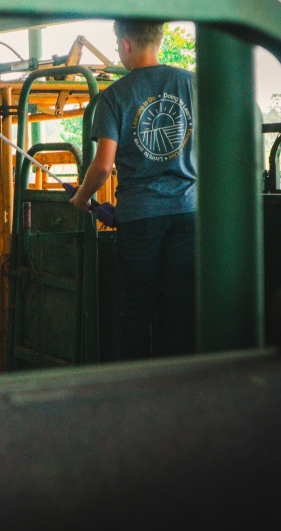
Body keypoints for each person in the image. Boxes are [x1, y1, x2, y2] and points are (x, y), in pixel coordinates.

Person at [70, 20, 196, 360]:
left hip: (140, 217)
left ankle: (134, 394)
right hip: (189, 210)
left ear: (126, 44)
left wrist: (82, 198)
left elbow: (103, 166)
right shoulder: (191, 84)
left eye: (116, 45)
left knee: (136, 311)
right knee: (181, 309)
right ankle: (178, 388)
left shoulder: (114, 96)